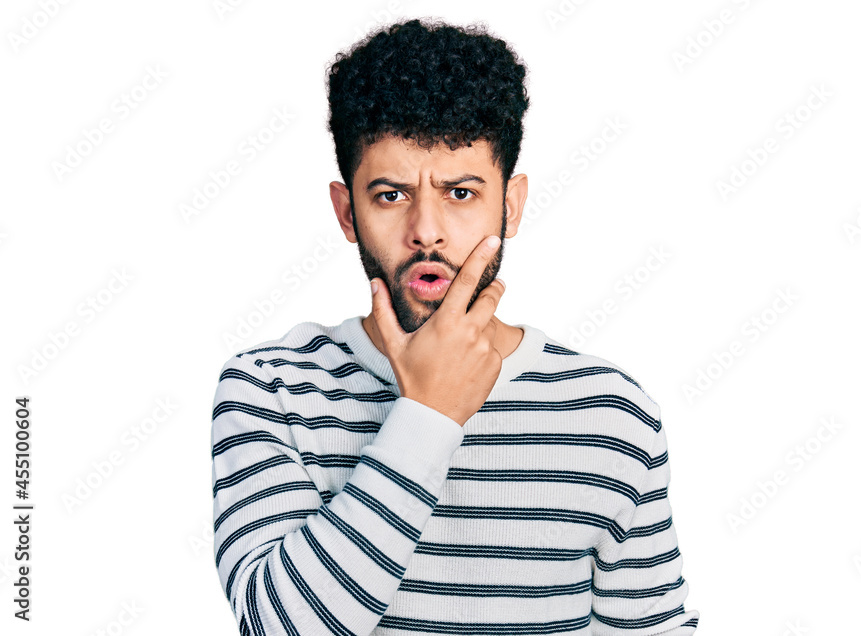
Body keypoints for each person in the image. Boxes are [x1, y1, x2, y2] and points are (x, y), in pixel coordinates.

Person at [211, 17, 699, 635]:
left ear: (510, 206)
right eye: (390, 195)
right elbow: (278, 626)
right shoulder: (271, 389)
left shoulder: (610, 412)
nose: (427, 231)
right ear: (346, 212)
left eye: (461, 193)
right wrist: (428, 416)